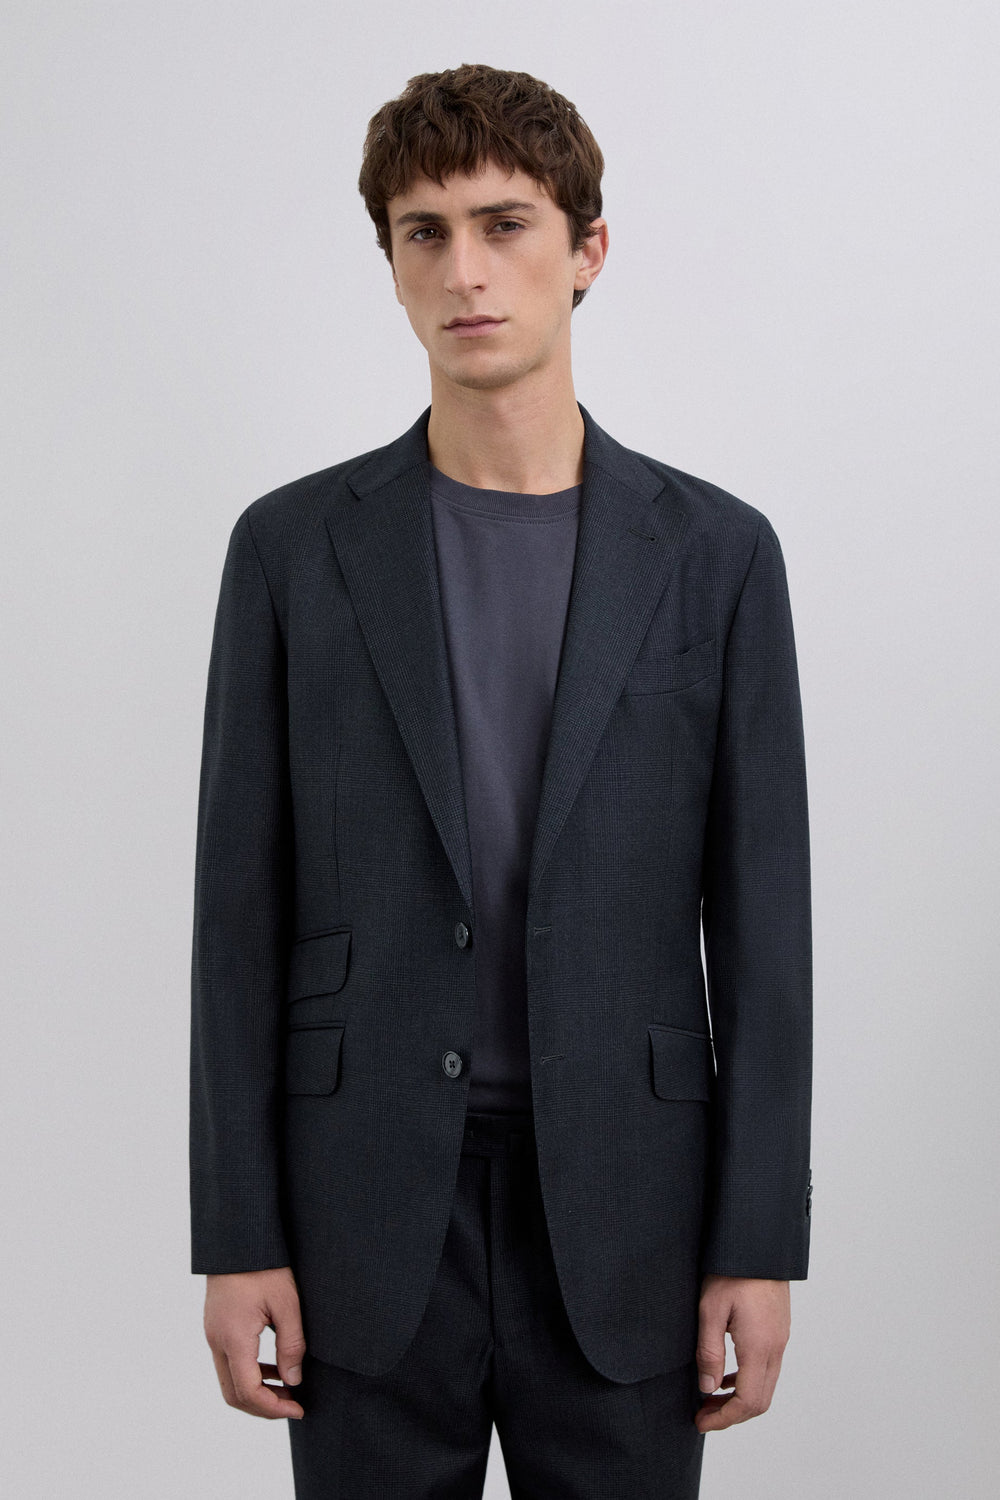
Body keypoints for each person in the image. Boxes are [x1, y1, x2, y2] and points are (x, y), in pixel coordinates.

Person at [190, 63, 812, 1499]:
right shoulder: (291, 552)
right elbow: (238, 917)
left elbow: (763, 930)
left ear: (588, 251)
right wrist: (236, 1233)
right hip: (359, 1206)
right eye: (425, 232)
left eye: (505, 224)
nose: (464, 271)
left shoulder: (717, 557)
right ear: (392, 264)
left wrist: (758, 1242)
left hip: (632, 1208)